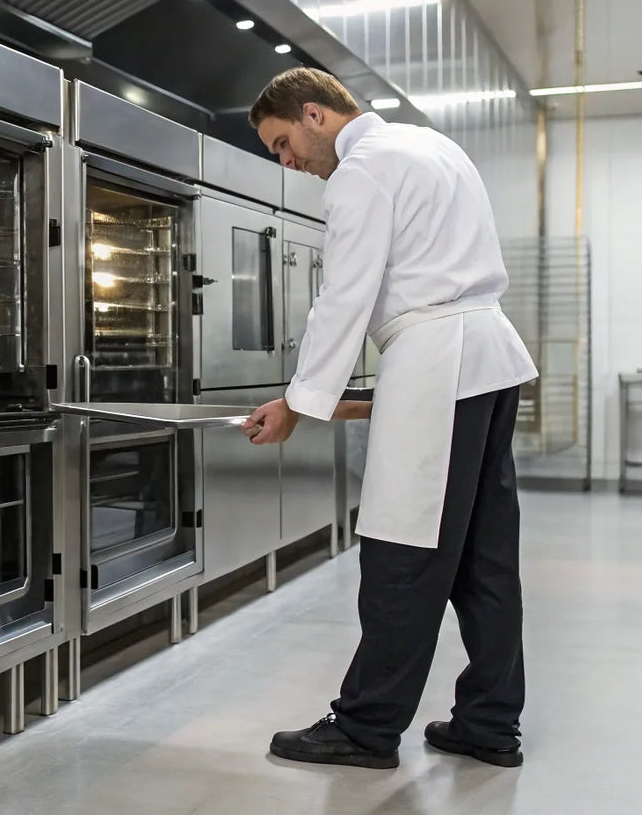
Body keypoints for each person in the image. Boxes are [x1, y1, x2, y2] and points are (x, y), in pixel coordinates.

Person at [240, 68, 538, 770]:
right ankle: (490, 723)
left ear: (314, 115)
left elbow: (345, 296)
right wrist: (347, 399)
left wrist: (298, 404)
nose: (287, 162)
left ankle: (366, 728)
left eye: (283, 144)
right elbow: (432, 278)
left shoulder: (362, 171)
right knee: (483, 561)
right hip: (487, 359)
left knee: (401, 554)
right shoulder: (431, 147)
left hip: (440, 362)